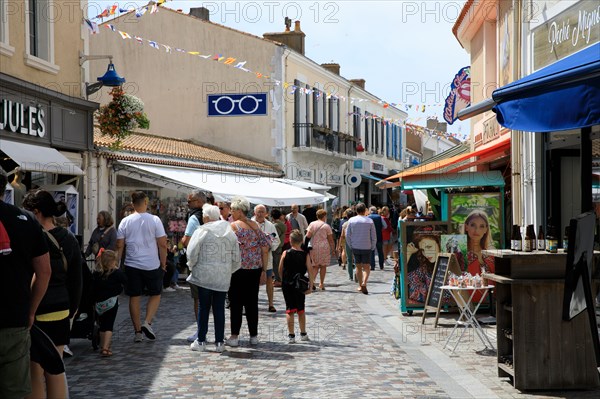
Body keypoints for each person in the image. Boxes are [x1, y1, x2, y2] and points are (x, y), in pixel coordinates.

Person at [22, 190, 83, 399]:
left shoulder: (32, 237)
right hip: (61, 308)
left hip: (37, 310)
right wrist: (72, 310)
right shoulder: (69, 238)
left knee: (34, 370)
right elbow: (77, 280)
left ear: (36, 212)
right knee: (55, 367)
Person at [0, 169, 51, 399]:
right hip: (14, 320)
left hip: (15, 319)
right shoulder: (26, 220)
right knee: (14, 392)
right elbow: (44, 272)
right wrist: (31, 311)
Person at [187, 204, 240, 353]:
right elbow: (237, 257)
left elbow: (191, 253)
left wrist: (192, 266)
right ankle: (219, 343)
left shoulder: (202, 231)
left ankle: (201, 340)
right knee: (219, 308)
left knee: (204, 307)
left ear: (206, 217)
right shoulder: (229, 233)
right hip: (222, 276)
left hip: (204, 275)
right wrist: (228, 270)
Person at [116, 191, 168, 343]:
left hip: (131, 264)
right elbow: (163, 244)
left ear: (132, 203)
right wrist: (163, 263)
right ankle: (147, 322)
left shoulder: (125, 221)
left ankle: (138, 332)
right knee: (156, 293)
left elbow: (119, 245)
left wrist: (117, 264)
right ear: (146, 202)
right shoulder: (155, 220)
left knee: (134, 296)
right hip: (151, 264)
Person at [226, 196, 270, 347]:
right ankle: (253, 336)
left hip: (238, 269)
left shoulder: (233, 227)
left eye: (232, 210)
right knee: (252, 302)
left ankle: (234, 336)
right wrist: (264, 269)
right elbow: (265, 248)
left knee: (236, 302)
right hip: (255, 269)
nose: (231, 213)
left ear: (239, 211)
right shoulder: (256, 226)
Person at [180, 190, 207, 343]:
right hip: (214, 263)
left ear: (197, 202)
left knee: (198, 299)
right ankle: (219, 333)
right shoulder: (213, 215)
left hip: (198, 263)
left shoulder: (194, 217)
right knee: (215, 299)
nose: (188, 204)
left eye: (189, 202)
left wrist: (182, 241)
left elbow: (186, 241)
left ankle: (200, 331)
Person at [279, 230, 314, 344]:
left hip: (288, 284)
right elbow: (310, 270)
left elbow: (280, 268)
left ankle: (291, 335)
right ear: (301, 241)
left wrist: (283, 279)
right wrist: (311, 285)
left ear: (290, 240)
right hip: (300, 284)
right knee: (301, 309)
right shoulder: (305, 254)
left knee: (289, 309)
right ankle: (303, 333)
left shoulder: (286, 253)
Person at [92, 249, 127, 357]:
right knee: (109, 325)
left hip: (99, 303)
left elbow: (92, 288)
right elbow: (126, 282)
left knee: (102, 325)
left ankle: (103, 346)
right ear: (113, 261)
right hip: (111, 303)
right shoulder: (117, 273)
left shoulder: (96, 273)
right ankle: (106, 348)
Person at [252, 204, 280, 312]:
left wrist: (269, 247)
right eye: (258, 211)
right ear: (254, 212)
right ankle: (253, 304)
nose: (260, 214)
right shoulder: (250, 223)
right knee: (253, 282)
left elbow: (276, 240)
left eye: (262, 212)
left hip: (267, 258)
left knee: (269, 280)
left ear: (266, 213)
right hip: (253, 258)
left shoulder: (270, 225)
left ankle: (271, 304)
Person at [463, 210, 495, 302]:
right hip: (466, 305)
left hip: (490, 307)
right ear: (466, 227)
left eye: (481, 226)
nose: (476, 230)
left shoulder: (492, 255)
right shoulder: (460, 254)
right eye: (473, 225)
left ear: (486, 229)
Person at [346, 203, 376, 295]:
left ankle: (360, 285)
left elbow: (348, 234)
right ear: (364, 210)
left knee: (358, 266)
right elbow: (373, 235)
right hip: (366, 246)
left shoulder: (351, 220)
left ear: (356, 211)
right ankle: (364, 282)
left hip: (355, 246)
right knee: (367, 267)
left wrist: (350, 245)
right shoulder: (369, 221)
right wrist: (373, 246)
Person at [406, 232, 443, 304]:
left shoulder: (451, 263)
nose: (426, 253)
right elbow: (406, 278)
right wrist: (408, 253)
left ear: (440, 244)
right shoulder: (426, 267)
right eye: (423, 250)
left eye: (429, 247)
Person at [305, 209, 336, 290]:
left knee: (315, 266)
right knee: (323, 266)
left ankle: (312, 282)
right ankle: (321, 283)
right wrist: (333, 249)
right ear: (324, 216)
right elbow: (330, 239)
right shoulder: (326, 226)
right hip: (324, 247)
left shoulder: (312, 224)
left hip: (314, 246)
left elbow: (307, 236)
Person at [338, 209, 356, 280]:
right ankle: (357, 273)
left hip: (347, 242)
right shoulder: (356, 223)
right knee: (356, 258)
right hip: (356, 242)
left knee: (349, 259)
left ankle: (350, 276)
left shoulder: (345, 224)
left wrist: (339, 245)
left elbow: (342, 236)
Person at [271, 209, 287, 286]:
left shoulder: (275, 226)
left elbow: (274, 237)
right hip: (280, 246)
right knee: (278, 263)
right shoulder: (282, 224)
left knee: (276, 264)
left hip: (276, 247)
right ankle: (279, 279)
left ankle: (279, 280)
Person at [368, 206, 385, 270]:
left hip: (370, 237)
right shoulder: (379, 217)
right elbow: (385, 226)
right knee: (380, 251)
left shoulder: (368, 217)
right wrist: (380, 229)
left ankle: (372, 266)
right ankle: (381, 266)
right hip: (379, 236)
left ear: (370, 211)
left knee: (372, 251)